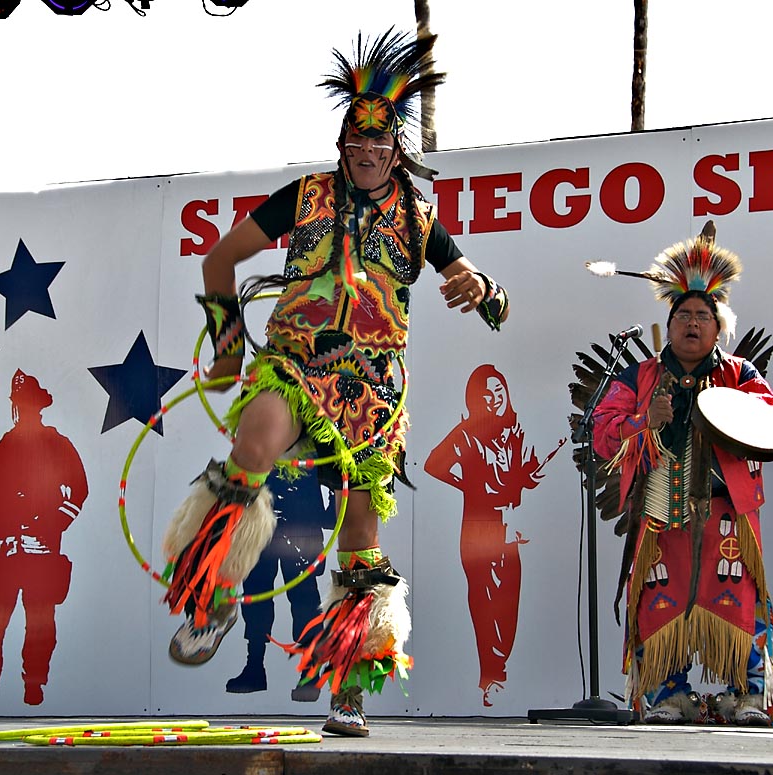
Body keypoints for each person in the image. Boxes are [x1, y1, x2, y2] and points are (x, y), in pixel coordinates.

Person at [159, 29, 509, 737]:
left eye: (379, 144)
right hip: (296, 363)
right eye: (354, 141)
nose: (365, 153)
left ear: (398, 149)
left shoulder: (417, 218)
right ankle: (212, 594)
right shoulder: (305, 196)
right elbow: (220, 260)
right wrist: (229, 348)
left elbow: (496, 303)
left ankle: (349, 688)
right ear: (342, 142)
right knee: (253, 446)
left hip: (374, 394)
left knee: (360, 534)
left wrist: (481, 284)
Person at [592, 222, 773, 725]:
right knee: (661, 597)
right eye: (684, 315)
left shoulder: (741, 375)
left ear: (719, 325)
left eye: (704, 314)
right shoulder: (640, 377)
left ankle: (749, 696)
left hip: (726, 511)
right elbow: (603, 432)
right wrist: (644, 420)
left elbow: (772, 424)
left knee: (739, 596)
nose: (693, 323)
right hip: (662, 501)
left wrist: (730, 412)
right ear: (671, 321)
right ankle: (666, 695)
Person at [424, 365, 563, 706]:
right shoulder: (467, 433)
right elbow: (432, 464)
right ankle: (492, 674)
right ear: (475, 398)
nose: (494, 399)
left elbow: (527, 475)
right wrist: (469, 487)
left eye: (499, 391)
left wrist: (529, 476)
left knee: (507, 604)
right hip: (476, 528)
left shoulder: (516, 432)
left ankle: (499, 667)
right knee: (484, 605)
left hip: (509, 528)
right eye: (487, 394)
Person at [0, 370, 88, 706]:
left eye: (25, 404)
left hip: (41, 552)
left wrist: (51, 526)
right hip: (6, 551)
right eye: (17, 404)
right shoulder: (2, 446)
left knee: (40, 621)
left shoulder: (58, 444)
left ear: (37, 407)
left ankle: (34, 682)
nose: (20, 410)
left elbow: (78, 491)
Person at [225, 470, 334, 702]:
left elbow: (335, 472)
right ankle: (255, 666)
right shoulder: (259, 436)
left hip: (301, 525)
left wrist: (331, 508)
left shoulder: (313, 438)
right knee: (256, 594)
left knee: (304, 599)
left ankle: (309, 672)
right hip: (261, 523)